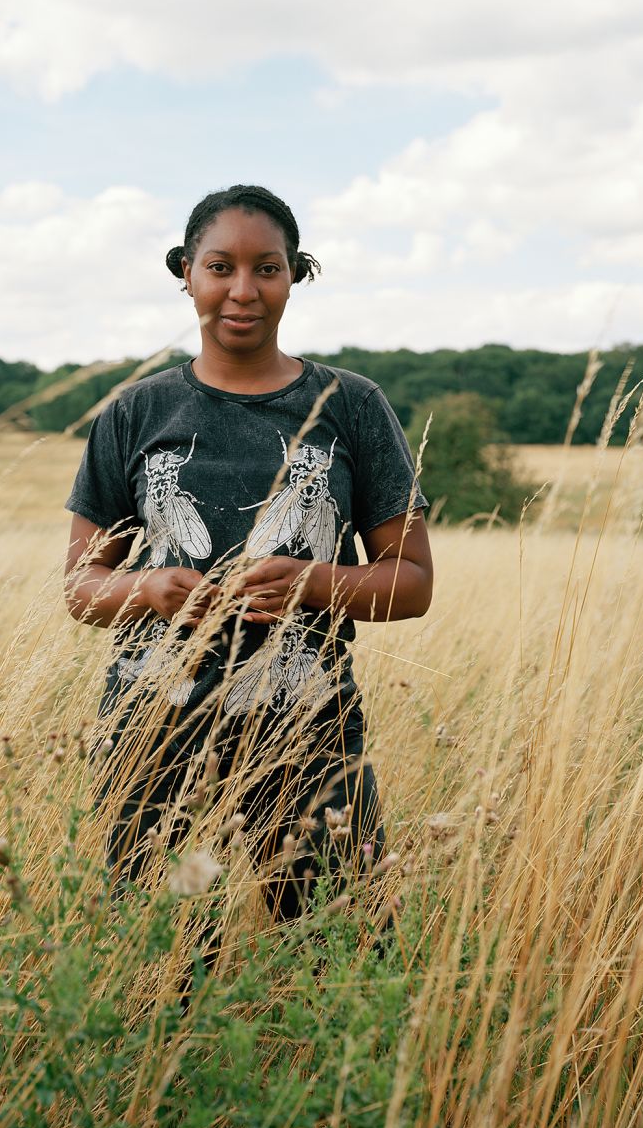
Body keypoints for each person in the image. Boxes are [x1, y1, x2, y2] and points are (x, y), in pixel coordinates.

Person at [64, 184, 433, 926]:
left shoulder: (352, 406)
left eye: (267, 268)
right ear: (186, 272)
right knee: (152, 959)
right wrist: (152, 591)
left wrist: (313, 582)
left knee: (341, 945)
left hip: (308, 724)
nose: (242, 290)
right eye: (219, 266)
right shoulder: (136, 412)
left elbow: (413, 583)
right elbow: (81, 586)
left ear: (295, 274)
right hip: (153, 727)